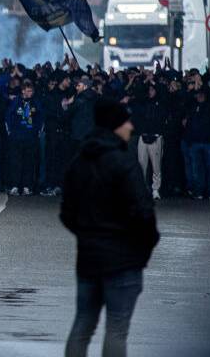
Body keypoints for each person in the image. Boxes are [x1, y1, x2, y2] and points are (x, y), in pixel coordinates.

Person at [61, 97, 159, 357]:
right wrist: (141, 252)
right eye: (126, 122)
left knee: (82, 325)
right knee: (117, 329)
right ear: (116, 125)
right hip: (123, 261)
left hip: (89, 258)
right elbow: (144, 213)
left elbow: (67, 212)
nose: (131, 127)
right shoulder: (124, 162)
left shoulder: (80, 160)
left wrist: (87, 235)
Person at [4, 82, 42, 196]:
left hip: (30, 137)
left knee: (29, 162)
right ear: (23, 91)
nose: (30, 93)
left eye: (31, 91)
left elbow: (40, 117)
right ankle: (15, 186)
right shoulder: (16, 101)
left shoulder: (36, 102)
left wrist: (37, 131)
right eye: (28, 91)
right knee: (15, 161)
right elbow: (8, 116)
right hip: (17, 137)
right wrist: (10, 131)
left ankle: (27, 187)